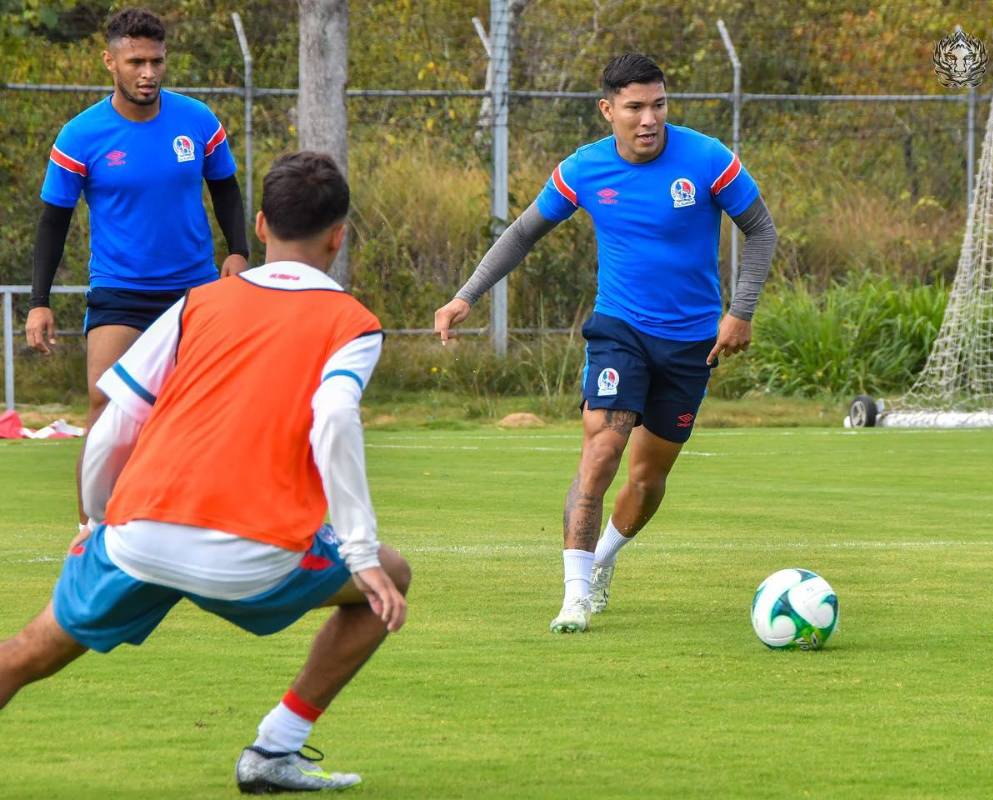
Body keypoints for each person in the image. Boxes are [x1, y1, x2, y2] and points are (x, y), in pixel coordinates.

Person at [0, 151, 408, 794]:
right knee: (392, 578)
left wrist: (94, 522)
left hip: (139, 537)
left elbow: (116, 417)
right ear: (339, 235)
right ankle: (275, 749)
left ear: (263, 225)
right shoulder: (352, 323)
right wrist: (360, 552)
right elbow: (333, 417)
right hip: (254, 554)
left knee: (24, 653)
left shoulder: (199, 301)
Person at [434, 53, 777, 633]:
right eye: (635, 107)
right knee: (602, 449)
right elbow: (521, 235)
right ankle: (572, 597)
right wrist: (466, 295)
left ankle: (601, 564)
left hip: (692, 341)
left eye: (659, 105)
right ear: (608, 110)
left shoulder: (708, 159)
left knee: (647, 479)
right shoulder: (584, 170)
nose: (649, 119)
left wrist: (740, 312)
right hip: (619, 328)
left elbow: (760, 229)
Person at [24, 7, 249, 536]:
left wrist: (238, 252)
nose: (148, 72)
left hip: (194, 293)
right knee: (105, 406)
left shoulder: (197, 122)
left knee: (203, 410)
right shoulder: (81, 135)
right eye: (136, 61)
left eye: (156, 60)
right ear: (111, 62)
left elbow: (228, 192)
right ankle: (88, 532)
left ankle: (201, 522)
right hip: (118, 292)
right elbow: (52, 223)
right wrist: (39, 301)